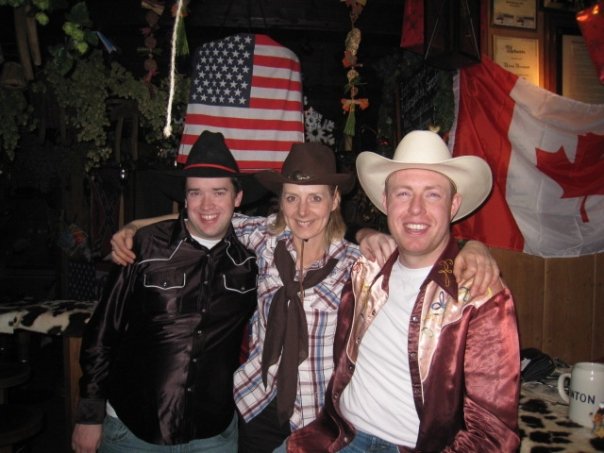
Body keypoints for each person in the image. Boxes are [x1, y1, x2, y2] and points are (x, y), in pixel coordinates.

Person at [109, 141, 502, 453]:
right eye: (292, 197)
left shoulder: (359, 264)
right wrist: (134, 227)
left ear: (334, 200)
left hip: (318, 418)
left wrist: (471, 247)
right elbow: (205, 218)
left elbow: (421, 249)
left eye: (315, 198)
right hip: (254, 403)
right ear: (280, 200)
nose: (302, 210)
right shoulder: (262, 238)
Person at [285, 130, 521, 452]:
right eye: (403, 194)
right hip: (337, 434)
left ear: (453, 205)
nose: (415, 210)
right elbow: (325, 231)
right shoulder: (365, 271)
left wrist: (474, 246)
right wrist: (364, 231)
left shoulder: (479, 295)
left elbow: (491, 437)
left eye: (433, 195)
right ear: (385, 201)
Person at [71, 131, 259, 453]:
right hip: (134, 429)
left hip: (212, 433)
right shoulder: (144, 246)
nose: (207, 204)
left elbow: (314, 229)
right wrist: (89, 415)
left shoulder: (253, 258)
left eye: (219, 192)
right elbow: (103, 333)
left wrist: (369, 233)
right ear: (184, 199)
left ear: (237, 198)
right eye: (195, 193)